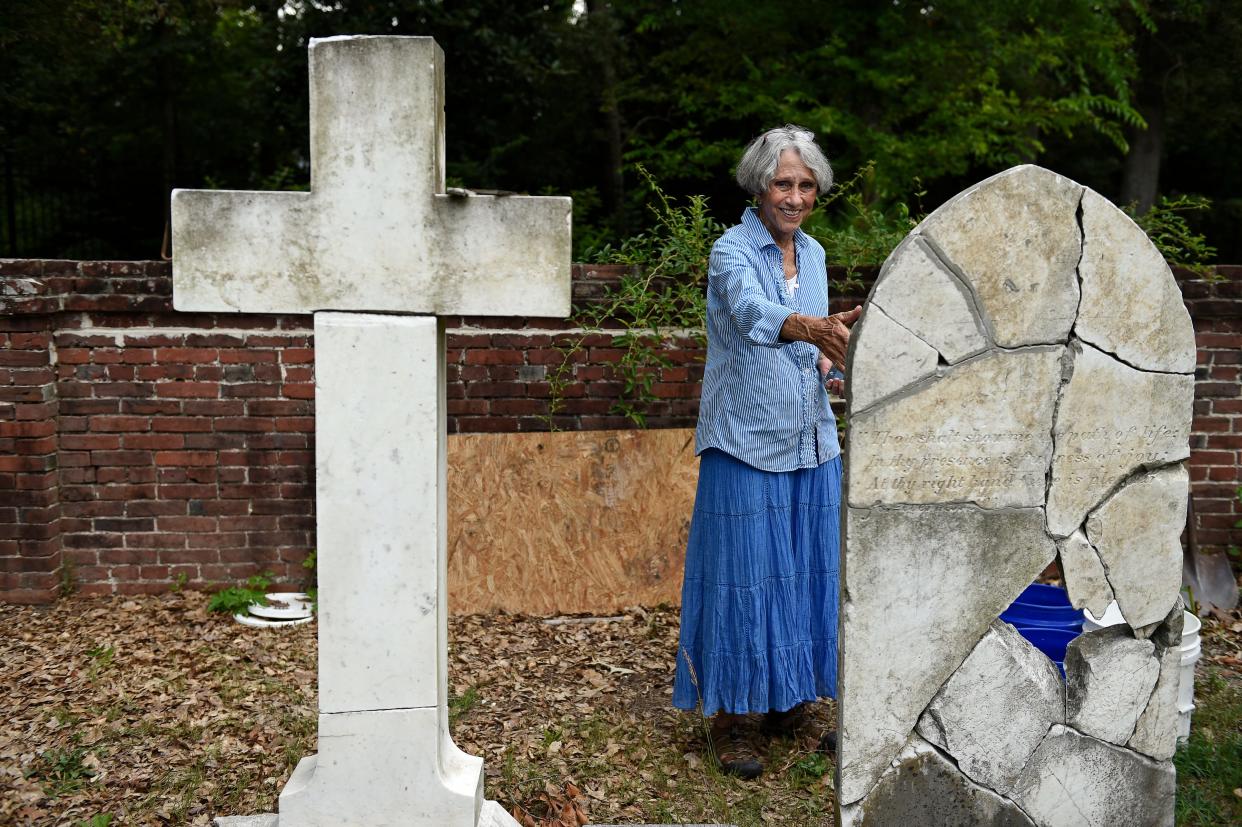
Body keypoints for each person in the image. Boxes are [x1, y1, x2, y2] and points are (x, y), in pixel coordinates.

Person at [672, 124, 861, 779]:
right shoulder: (731, 252)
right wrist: (807, 326)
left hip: (809, 439)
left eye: (807, 185)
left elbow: (814, 352)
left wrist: (835, 362)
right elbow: (752, 313)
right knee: (744, 580)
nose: (795, 195)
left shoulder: (813, 254)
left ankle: (787, 701)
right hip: (744, 441)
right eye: (784, 182)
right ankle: (737, 721)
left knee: (805, 574)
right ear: (759, 185)